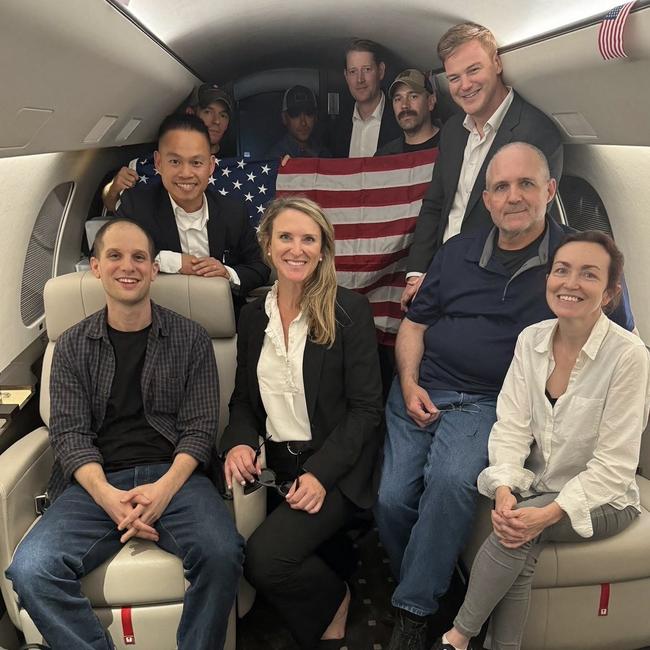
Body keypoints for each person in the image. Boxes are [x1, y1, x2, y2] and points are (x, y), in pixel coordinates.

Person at [374, 143, 634, 650]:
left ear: (550, 190)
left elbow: (614, 336)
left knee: (449, 482)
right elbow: (415, 324)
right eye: (501, 187)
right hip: (421, 387)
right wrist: (407, 383)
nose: (513, 197)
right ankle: (434, 579)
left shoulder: (572, 263)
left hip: (494, 400)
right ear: (487, 200)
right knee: (390, 499)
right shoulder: (455, 252)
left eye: (526, 184)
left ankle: (413, 610)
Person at [5, 218, 244, 650]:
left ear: (154, 269)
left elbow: (199, 429)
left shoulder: (190, 338)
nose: (127, 266)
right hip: (94, 483)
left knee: (222, 554)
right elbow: (71, 436)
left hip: (176, 476)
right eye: (114, 255)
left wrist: (161, 493)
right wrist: (110, 499)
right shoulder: (73, 345)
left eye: (139, 257)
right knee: (31, 569)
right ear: (95, 267)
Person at [433, 230, 649, 650]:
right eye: (562, 270)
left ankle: (456, 638)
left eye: (589, 274)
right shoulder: (530, 340)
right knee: (519, 533)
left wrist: (546, 513)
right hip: (538, 486)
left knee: (517, 533)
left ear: (609, 293)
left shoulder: (629, 355)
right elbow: (511, 425)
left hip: (603, 498)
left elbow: (615, 466)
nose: (571, 283)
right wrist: (504, 488)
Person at [221, 196, 383, 649]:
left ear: (323, 248)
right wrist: (237, 443)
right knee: (276, 555)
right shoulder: (254, 315)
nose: (297, 249)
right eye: (286, 237)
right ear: (267, 246)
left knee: (266, 560)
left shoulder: (350, 310)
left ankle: (337, 602)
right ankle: (330, 585)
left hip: (336, 468)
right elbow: (244, 401)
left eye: (308, 239)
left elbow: (367, 410)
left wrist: (319, 474)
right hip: (279, 466)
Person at [401, 22, 563, 310]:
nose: (464, 85)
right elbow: (436, 205)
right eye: (454, 77)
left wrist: (455, 278)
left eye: (474, 70)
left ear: (497, 64)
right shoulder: (452, 131)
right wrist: (417, 274)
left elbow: (523, 228)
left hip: (492, 284)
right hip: (439, 273)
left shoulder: (537, 133)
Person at [116, 113, 269, 309]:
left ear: (211, 166)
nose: (186, 174)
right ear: (158, 163)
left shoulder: (233, 211)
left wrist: (226, 273)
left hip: (223, 319)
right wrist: (175, 262)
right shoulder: (136, 205)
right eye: (175, 162)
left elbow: (259, 268)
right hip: (158, 320)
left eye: (196, 163)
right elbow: (108, 253)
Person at [102, 83, 233, 212]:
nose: (216, 121)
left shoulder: (235, 168)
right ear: (190, 113)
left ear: (211, 165)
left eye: (223, 115)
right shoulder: (151, 162)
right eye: (208, 112)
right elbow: (113, 205)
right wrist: (113, 188)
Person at [329, 38, 402, 157]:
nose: (360, 80)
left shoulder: (401, 118)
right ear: (346, 76)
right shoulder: (336, 128)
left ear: (381, 71)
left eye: (366, 70)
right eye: (353, 72)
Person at [375, 68, 440, 155]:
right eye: (398, 99)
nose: (404, 105)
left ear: (430, 102)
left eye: (413, 96)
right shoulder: (383, 157)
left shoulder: (453, 145)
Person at [266, 85, 330, 158]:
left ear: (316, 116)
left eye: (309, 113)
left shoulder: (324, 154)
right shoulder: (275, 158)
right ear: (284, 118)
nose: (303, 123)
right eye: (295, 114)